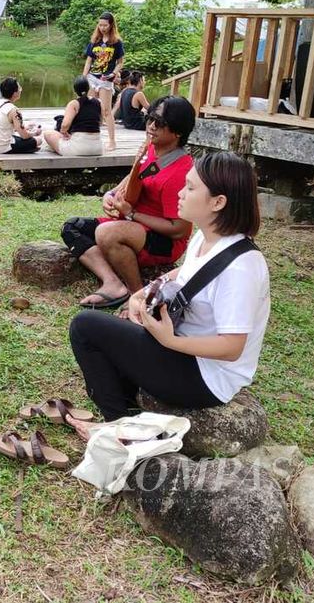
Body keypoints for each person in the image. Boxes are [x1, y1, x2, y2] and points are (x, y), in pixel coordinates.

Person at [67, 152, 269, 432]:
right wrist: (142, 293)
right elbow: (186, 273)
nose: (180, 193)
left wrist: (169, 340)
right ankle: (129, 410)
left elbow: (232, 347)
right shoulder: (207, 236)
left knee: (85, 326)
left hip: (206, 378)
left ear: (218, 202)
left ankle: (117, 428)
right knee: (118, 329)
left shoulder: (241, 268)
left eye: (190, 188)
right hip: (186, 354)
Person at [68, 95, 196, 309]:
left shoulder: (180, 172)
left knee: (106, 233)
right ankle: (112, 283)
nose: (152, 126)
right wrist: (111, 194)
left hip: (163, 241)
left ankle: (137, 295)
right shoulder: (152, 148)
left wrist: (131, 213)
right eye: (151, 118)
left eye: (160, 123)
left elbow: (180, 230)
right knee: (72, 228)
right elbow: (136, 176)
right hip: (132, 225)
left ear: (178, 132)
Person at [82, 12, 124, 151]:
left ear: (111, 25)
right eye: (100, 25)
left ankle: (112, 141)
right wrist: (84, 77)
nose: (102, 27)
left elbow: (120, 63)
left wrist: (113, 73)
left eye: (105, 25)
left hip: (106, 80)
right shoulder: (95, 40)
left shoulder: (116, 42)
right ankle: (86, 137)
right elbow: (88, 61)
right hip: (92, 78)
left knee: (106, 111)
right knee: (88, 107)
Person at [43, 76, 103, 157]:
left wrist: (64, 133)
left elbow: (65, 125)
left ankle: (54, 147)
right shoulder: (99, 102)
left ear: (75, 90)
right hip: (97, 148)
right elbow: (100, 122)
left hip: (78, 149)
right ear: (88, 88)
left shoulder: (74, 104)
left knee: (48, 134)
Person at [0, 77, 42, 154]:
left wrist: (26, 127)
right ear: (14, 93)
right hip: (1, 147)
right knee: (38, 140)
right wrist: (35, 133)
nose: (21, 89)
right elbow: (24, 136)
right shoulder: (14, 110)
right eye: (19, 88)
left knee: (20, 137)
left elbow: (4, 126)